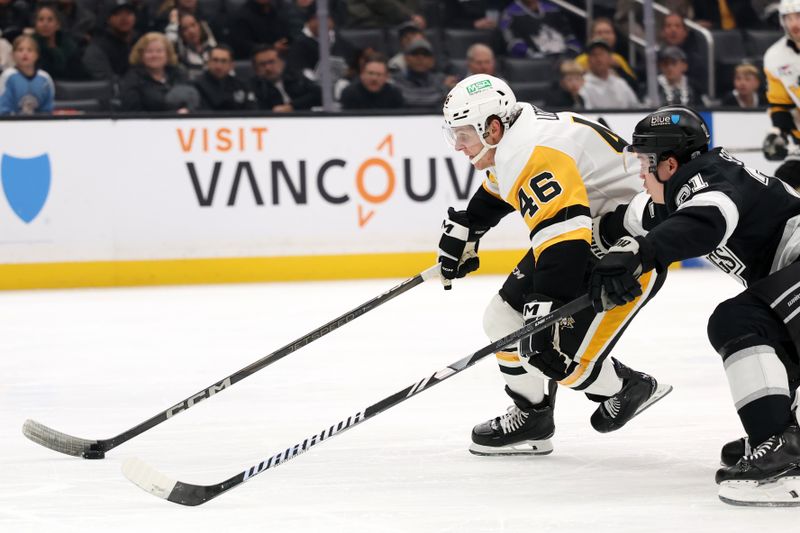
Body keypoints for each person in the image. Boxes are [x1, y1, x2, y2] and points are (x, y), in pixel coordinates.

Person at [438, 74, 671, 456]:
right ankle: (533, 416)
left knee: (550, 352)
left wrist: (544, 307)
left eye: (463, 134)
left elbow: (563, 241)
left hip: (626, 249)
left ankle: (629, 388)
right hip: (588, 234)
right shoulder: (516, 134)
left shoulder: (533, 150)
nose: (459, 146)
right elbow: (504, 184)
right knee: (502, 320)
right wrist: (470, 223)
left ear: (492, 127)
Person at [589, 104, 800, 506]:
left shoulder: (709, 180)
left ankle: (783, 457)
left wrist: (641, 251)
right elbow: (628, 220)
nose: (640, 172)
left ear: (668, 164)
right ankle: (780, 437)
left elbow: (707, 220)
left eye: (644, 162)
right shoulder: (685, 187)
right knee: (771, 343)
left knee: (739, 319)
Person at [762, 0, 800, 188]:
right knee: (783, 185)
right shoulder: (775, 56)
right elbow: (780, 104)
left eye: (799, 17)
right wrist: (779, 133)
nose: (794, 24)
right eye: (789, 18)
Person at [119, 32, 200, 112]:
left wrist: (187, 110)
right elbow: (132, 112)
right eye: (149, 51)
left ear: (168, 54)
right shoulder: (132, 79)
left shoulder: (179, 74)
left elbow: (192, 98)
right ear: (141, 55)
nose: (154, 55)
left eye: (159, 51)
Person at [250, 44, 321, 111]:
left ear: (281, 62)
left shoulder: (296, 76)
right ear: (255, 68)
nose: (268, 68)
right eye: (262, 64)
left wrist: (292, 106)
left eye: (271, 62)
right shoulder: (254, 86)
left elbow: (318, 94)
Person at [574, 17, 637, 93]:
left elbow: (634, 87)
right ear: (591, 37)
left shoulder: (617, 59)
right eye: (599, 33)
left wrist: (619, 69)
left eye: (608, 32)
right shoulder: (581, 61)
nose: (604, 36)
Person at [499, 0, 581, 59]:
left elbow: (569, 35)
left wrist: (572, 50)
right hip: (536, 63)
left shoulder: (553, 9)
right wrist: (533, 55)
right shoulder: (510, 14)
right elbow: (513, 43)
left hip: (565, 56)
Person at [82, 0, 139, 81]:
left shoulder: (140, 42)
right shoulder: (98, 48)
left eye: (129, 13)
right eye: (117, 14)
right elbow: (107, 81)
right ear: (108, 19)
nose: (124, 18)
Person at [391, 38, 454, 109]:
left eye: (425, 54)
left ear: (432, 60)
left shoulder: (441, 79)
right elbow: (408, 98)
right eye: (415, 53)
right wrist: (442, 91)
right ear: (406, 58)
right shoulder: (396, 79)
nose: (420, 58)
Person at [0, 35, 54, 115]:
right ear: (12, 54)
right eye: (20, 50)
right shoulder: (8, 77)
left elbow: (47, 109)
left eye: (29, 50)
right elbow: (3, 107)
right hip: (11, 124)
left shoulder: (45, 78)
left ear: (37, 55)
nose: (25, 54)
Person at [32, 4, 87, 80]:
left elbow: (79, 74)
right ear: (36, 24)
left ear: (58, 25)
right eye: (41, 20)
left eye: (50, 20)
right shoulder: (31, 45)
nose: (45, 24)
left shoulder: (68, 46)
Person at [579, 39, 640, 109]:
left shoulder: (621, 84)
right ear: (588, 60)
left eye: (601, 54)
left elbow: (636, 107)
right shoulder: (583, 85)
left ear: (610, 58)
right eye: (594, 54)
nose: (598, 58)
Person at [660, 11, 710, 95]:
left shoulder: (695, 61)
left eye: (677, 26)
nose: (673, 30)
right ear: (663, 32)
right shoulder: (655, 57)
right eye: (668, 26)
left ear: (685, 32)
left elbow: (701, 89)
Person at [194, 44, 256, 110]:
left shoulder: (241, 86)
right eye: (215, 60)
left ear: (231, 65)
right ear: (208, 62)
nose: (219, 66)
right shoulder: (196, 86)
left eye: (224, 61)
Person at [166, 11, 217, 80]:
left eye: (193, 25)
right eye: (185, 29)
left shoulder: (213, 48)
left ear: (199, 26)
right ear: (181, 34)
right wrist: (173, 24)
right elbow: (168, 45)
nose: (191, 31)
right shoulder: (181, 56)